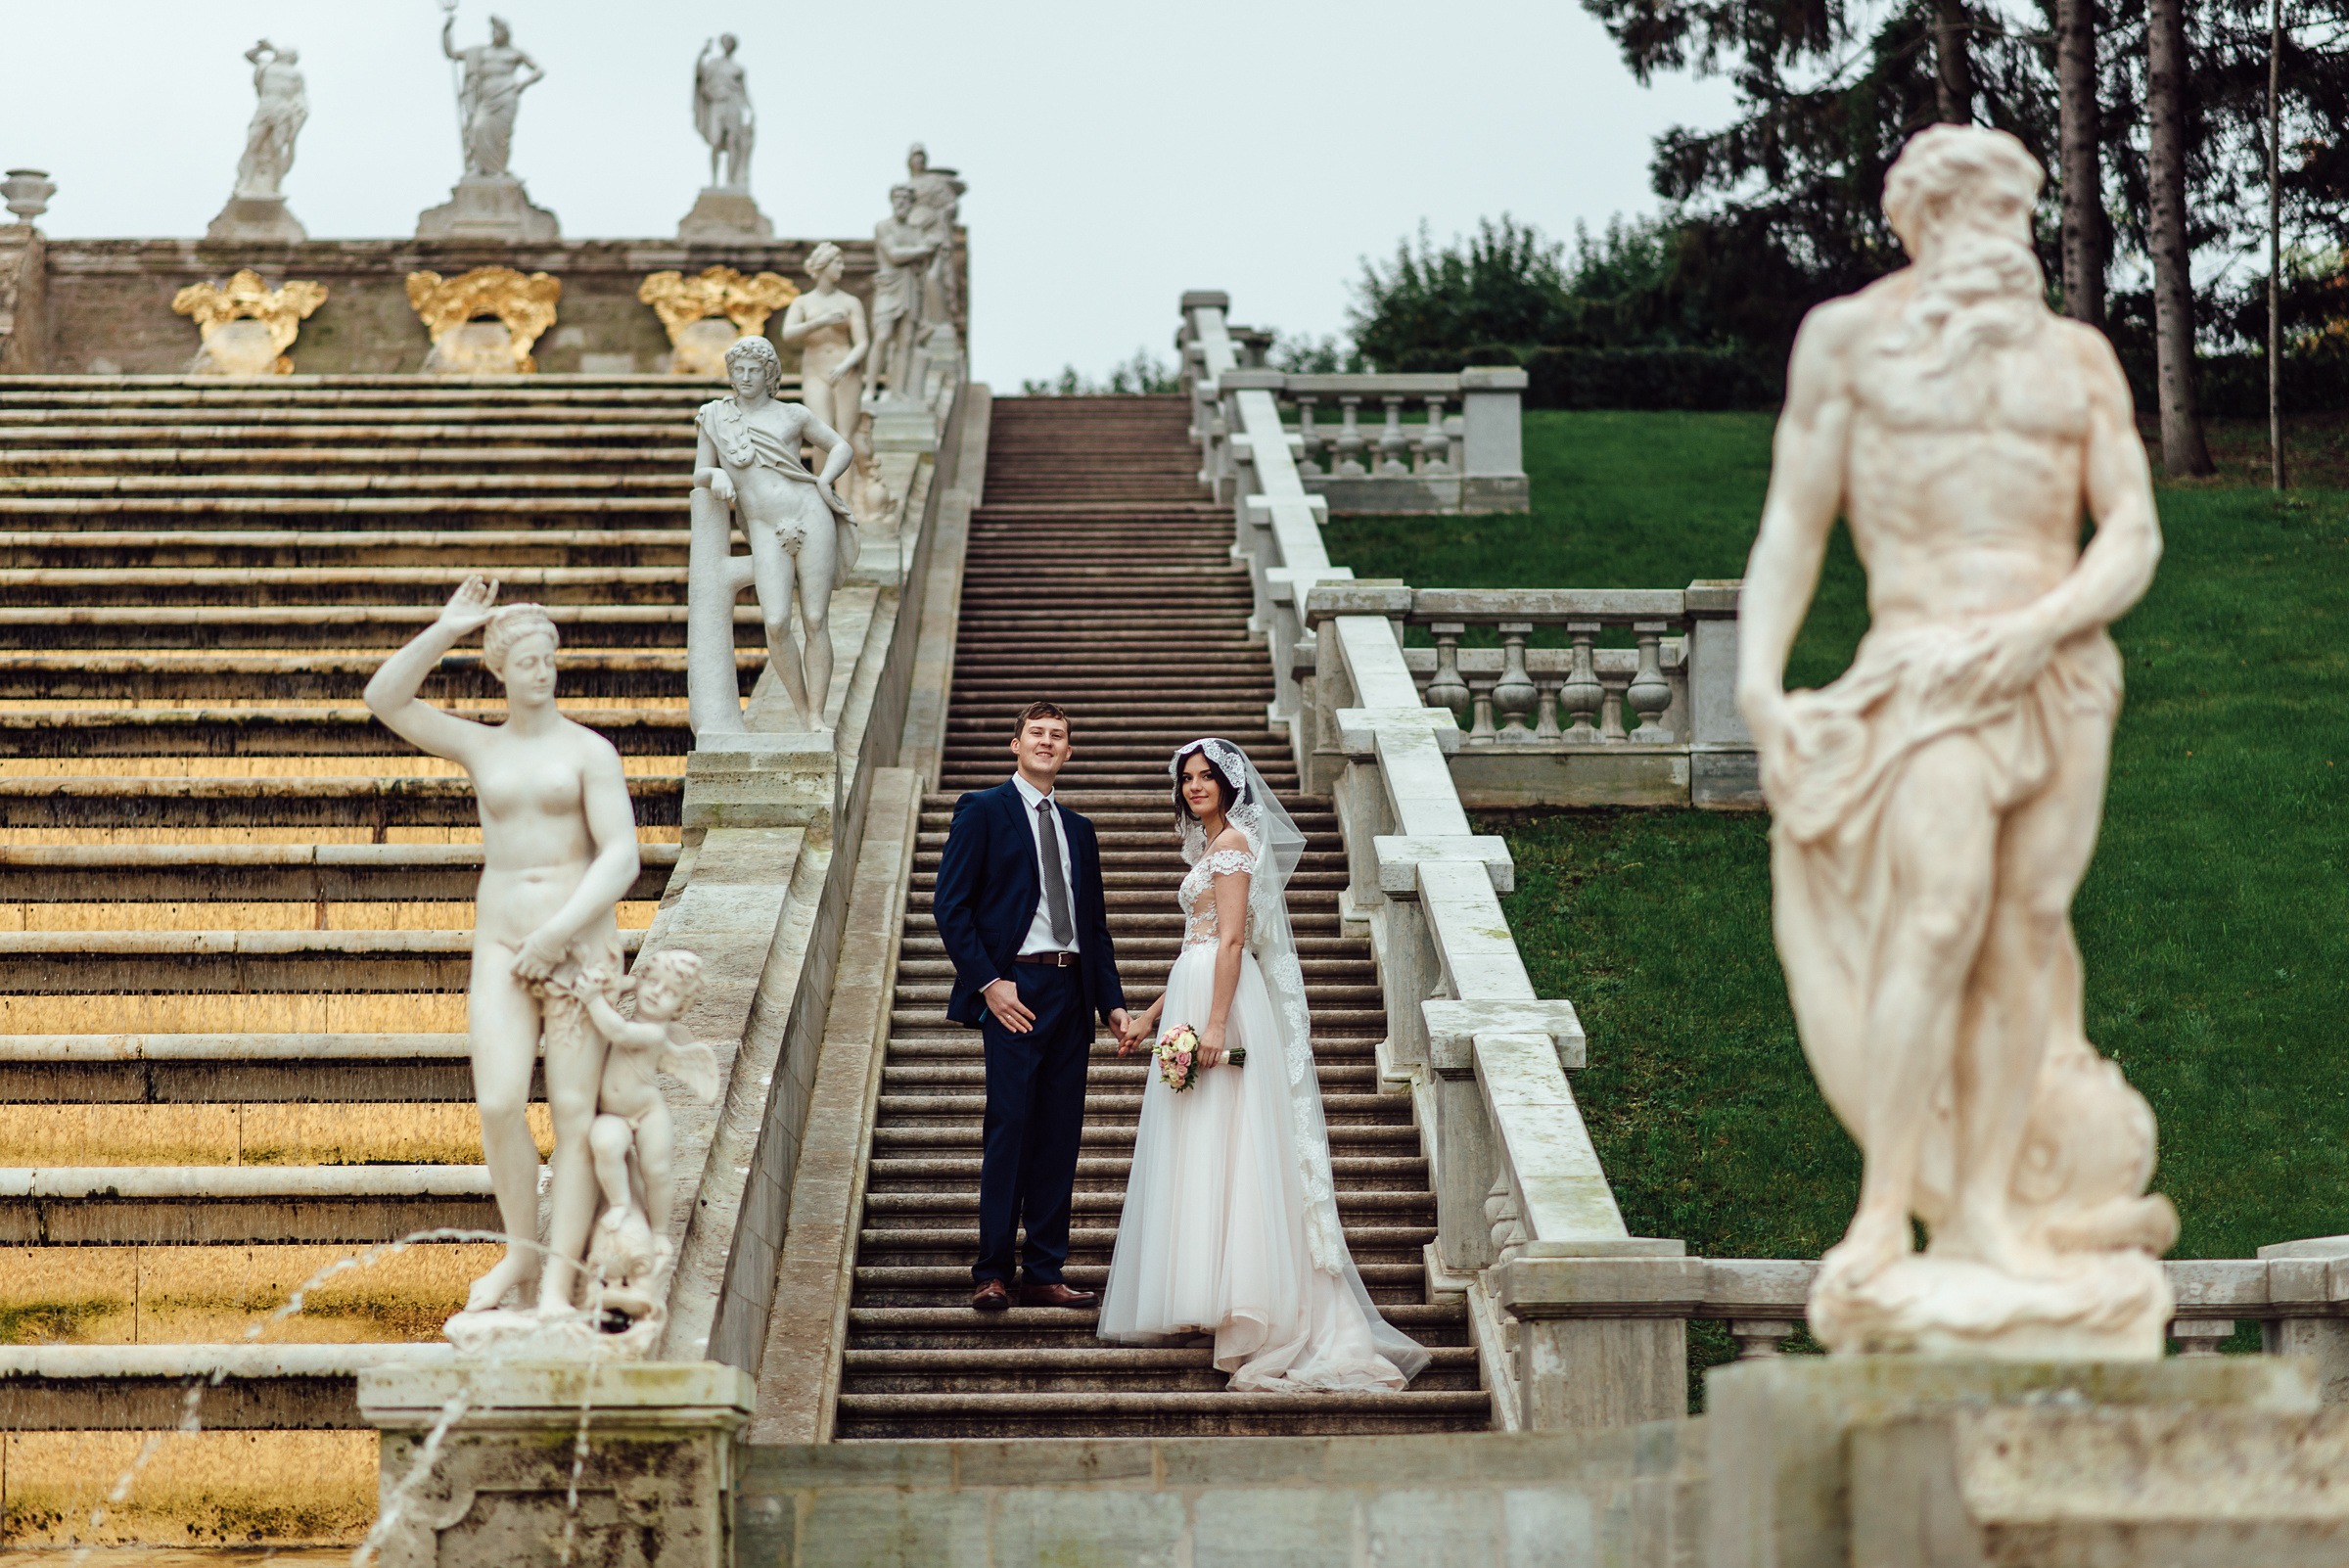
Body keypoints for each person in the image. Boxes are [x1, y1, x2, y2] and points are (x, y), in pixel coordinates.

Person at [1735, 124, 2175, 1351]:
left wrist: (2043, 627)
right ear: (1918, 223)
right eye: (1972, 209)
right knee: (1937, 918)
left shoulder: (2078, 361)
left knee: (2025, 933)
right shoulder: (1852, 343)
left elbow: (2131, 531)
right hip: (1925, 672)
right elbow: (1791, 525)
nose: (1999, 233)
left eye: (2015, 210)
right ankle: (1886, 1214)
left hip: (2062, 667)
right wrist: (1761, 690)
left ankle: (1983, 1213)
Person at [1099, 739, 1429, 1390]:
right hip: (1196, 992)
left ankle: (1250, 1303)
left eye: (1206, 778)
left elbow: (1231, 941)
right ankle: (1215, 1291)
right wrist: (1150, 1015)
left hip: (1223, 1001)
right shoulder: (1211, 847)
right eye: (1187, 779)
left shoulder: (1233, 848)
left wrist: (1217, 1022)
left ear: (1228, 784)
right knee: (1201, 1140)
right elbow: (1197, 944)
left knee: (1233, 1139)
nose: (1195, 787)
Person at [363, 576, 641, 1316]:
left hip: (578, 951)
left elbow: (622, 858)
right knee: (497, 1101)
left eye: (549, 656)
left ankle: (556, 1282)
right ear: (500, 669)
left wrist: (558, 934)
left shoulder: (590, 753)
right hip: (502, 944)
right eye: (526, 660)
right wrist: (449, 626)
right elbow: (385, 699)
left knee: (576, 1114)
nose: (541, 669)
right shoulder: (480, 747)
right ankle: (522, 1254)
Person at [932, 703, 1132, 1311]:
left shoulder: (1080, 830)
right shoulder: (983, 810)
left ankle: (1045, 1271)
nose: (1047, 743)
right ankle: (992, 1270)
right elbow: (951, 907)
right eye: (1037, 733)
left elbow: (1094, 928)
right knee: (1011, 1127)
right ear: (1015, 744)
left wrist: (1112, 1005)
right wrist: (990, 983)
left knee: (1059, 1135)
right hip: (1015, 991)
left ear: (1068, 752)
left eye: (1059, 736)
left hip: (1071, 993)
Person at [692, 335, 856, 732]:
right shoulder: (714, 417)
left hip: (810, 514)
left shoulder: (793, 415)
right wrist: (714, 473)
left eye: (754, 371)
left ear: (770, 375)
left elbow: (840, 447)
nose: (745, 377)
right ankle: (801, 710)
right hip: (766, 527)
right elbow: (699, 470)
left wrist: (824, 482)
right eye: (739, 370)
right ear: (730, 376)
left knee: (815, 618)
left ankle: (816, 717)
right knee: (778, 621)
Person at [777, 242, 868, 440]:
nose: (841, 268)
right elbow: (788, 334)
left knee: (846, 434)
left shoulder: (850, 301)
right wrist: (820, 322)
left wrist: (847, 365)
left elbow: (862, 343)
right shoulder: (802, 302)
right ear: (824, 266)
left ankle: (847, 473)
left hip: (844, 368)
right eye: (837, 263)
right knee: (821, 433)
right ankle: (824, 474)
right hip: (814, 368)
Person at [440, 11, 545, 179]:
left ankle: (498, 170)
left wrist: (522, 85)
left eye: (499, 31)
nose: (495, 34)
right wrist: (446, 30)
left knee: (501, 136)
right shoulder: (481, 52)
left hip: (506, 96)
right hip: (486, 98)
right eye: (493, 31)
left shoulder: (514, 53)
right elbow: (451, 53)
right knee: (478, 127)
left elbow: (539, 71)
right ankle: (479, 168)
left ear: (505, 34)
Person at [870, 184, 935, 400]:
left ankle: (897, 390)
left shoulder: (915, 231)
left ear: (911, 204)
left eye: (905, 200)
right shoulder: (883, 227)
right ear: (892, 201)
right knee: (882, 336)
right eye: (897, 199)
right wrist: (925, 249)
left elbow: (923, 265)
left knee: (905, 341)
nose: (901, 203)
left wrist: (930, 251)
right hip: (889, 287)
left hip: (911, 288)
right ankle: (870, 389)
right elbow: (894, 255)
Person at [233, 40, 306, 199]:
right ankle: (246, 181)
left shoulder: (295, 74)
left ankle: (275, 186)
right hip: (266, 106)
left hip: (283, 110)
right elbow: (249, 55)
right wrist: (267, 49)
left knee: (277, 147)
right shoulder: (267, 66)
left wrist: (300, 112)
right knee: (253, 143)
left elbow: (300, 96)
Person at [693, 34, 755, 190]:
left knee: (732, 142)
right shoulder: (714, 64)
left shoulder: (738, 69)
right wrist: (703, 53)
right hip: (717, 104)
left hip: (733, 105)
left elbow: (743, 92)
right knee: (715, 141)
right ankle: (714, 181)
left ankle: (729, 181)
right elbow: (699, 74)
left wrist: (750, 110)